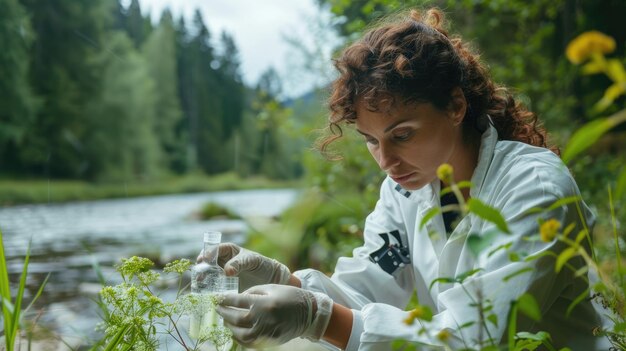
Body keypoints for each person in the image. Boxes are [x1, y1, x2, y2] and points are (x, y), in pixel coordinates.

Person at [213, 8, 610, 351]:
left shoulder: (533, 186)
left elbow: (482, 336)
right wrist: (288, 280)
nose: (386, 160)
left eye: (402, 135)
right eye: (371, 141)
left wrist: (317, 318)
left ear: (455, 106)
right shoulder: (406, 189)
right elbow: (367, 286)